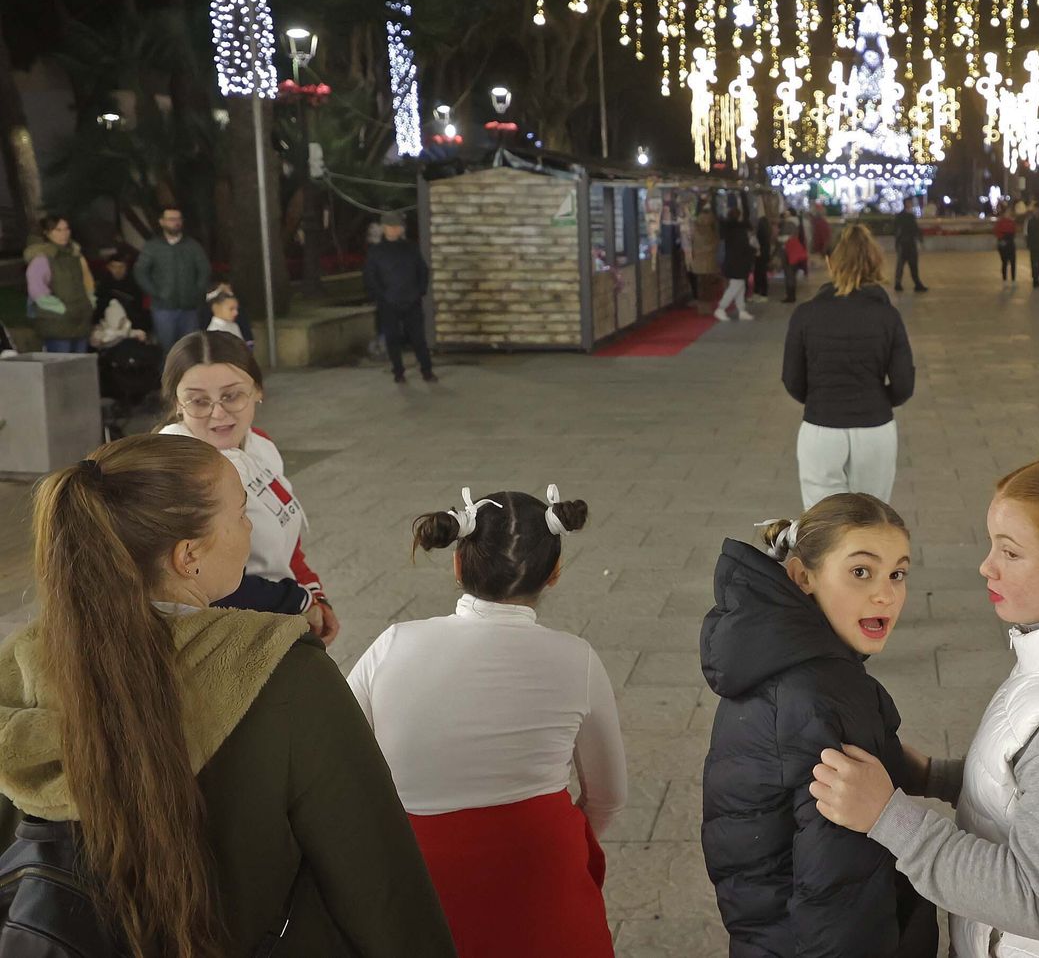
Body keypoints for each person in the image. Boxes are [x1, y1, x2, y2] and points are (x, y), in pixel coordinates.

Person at [0, 435, 454, 955]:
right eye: (240, 513)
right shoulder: (285, 675)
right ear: (188, 555)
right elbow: (380, 883)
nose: (249, 527)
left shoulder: (19, 665)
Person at [809, 444, 1039, 957]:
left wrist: (887, 817)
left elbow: (1032, 898)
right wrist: (938, 777)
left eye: (1010, 552)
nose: (986, 567)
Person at [348, 484, 622, 957]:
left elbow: (342, 758)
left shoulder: (394, 643)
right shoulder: (576, 659)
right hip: (540, 875)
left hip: (418, 875)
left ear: (458, 563)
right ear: (554, 573)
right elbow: (608, 798)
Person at [701, 497, 937, 957]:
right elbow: (842, 893)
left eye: (898, 573)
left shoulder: (775, 662)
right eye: (861, 572)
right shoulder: (824, 697)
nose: (885, 594)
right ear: (801, 576)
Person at [158, 330, 338, 641]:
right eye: (198, 401)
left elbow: (285, 539)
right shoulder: (174, 469)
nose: (218, 413)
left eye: (231, 395)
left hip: (279, 616)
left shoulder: (259, 445)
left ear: (257, 390)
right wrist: (300, 603)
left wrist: (313, 593)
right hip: (223, 636)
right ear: (177, 403)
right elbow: (199, 580)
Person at [782, 224, 915, 509]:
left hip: (821, 429)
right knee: (871, 519)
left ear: (831, 262)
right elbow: (904, 384)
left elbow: (792, 379)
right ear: (874, 263)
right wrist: (877, 399)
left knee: (824, 526)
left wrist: (822, 397)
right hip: (875, 430)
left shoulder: (806, 314)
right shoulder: (887, 316)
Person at [364, 210, 437, 384]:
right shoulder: (376, 252)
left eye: (397, 226)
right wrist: (383, 296)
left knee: (418, 338)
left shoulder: (411, 248)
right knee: (392, 339)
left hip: (412, 301)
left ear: (401, 229)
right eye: (390, 226)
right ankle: (398, 372)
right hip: (388, 303)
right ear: (383, 228)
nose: (393, 230)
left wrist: (419, 291)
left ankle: (427, 371)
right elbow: (370, 277)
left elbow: (423, 271)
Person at [134, 206, 211, 353]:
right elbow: (140, 272)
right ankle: (168, 376)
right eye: (171, 219)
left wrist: (196, 291)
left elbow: (204, 270)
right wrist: (155, 292)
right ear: (162, 222)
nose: (175, 222)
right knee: (167, 351)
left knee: (191, 351)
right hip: (163, 308)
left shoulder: (192, 246)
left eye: (178, 219)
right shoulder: (153, 247)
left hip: (190, 308)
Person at [24, 215, 96, 353]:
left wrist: (90, 302)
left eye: (66, 229)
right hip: (56, 323)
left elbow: (88, 281)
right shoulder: (42, 258)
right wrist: (62, 309)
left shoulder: (76, 255)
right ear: (47, 233)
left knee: (80, 367)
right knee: (60, 369)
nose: (64, 233)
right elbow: (37, 290)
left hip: (81, 321)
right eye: (58, 230)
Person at [714, 202, 756, 322]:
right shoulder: (739, 230)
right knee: (735, 286)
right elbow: (742, 246)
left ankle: (741, 310)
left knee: (740, 286)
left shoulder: (728, 229)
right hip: (737, 263)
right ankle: (721, 308)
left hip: (733, 262)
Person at [95, 252, 150, 335]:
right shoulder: (104, 284)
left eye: (121, 267)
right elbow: (99, 307)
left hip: (132, 326)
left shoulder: (134, 284)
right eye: (114, 267)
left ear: (126, 267)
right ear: (108, 267)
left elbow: (139, 309)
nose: (118, 270)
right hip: (109, 327)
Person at [894, 196, 930, 293]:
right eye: (910, 202)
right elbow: (912, 229)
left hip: (907, 243)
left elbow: (914, 229)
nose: (911, 204)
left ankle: (913, 283)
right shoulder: (905, 216)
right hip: (906, 243)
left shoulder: (905, 216)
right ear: (906, 204)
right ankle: (902, 283)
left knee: (909, 264)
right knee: (904, 265)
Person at [690, 197, 721, 306]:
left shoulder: (696, 225)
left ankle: (702, 303)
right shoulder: (713, 225)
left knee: (701, 282)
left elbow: (691, 238)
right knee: (708, 283)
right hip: (710, 257)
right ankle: (707, 303)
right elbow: (717, 239)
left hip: (698, 257)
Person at [782, 208, 807, 303]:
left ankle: (790, 296)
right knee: (791, 273)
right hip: (793, 251)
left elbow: (788, 237)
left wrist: (780, 239)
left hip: (789, 251)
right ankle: (791, 295)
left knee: (789, 273)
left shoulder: (789, 223)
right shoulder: (797, 223)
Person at [752, 201, 773, 302]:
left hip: (760, 254)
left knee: (760, 273)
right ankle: (760, 293)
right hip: (763, 254)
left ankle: (761, 293)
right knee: (761, 273)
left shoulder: (761, 232)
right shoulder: (767, 230)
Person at [994, 202, 1018, 283]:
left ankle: (1013, 278)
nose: (1009, 214)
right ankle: (1004, 278)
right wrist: (1002, 240)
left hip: (1010, 242)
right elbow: (997, 232)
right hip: (1003, 243)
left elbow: (1014, 231)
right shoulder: (1000, 222)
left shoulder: (1012, 222)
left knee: (1013, 261)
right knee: (1004, 262)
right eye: (1007, 212)